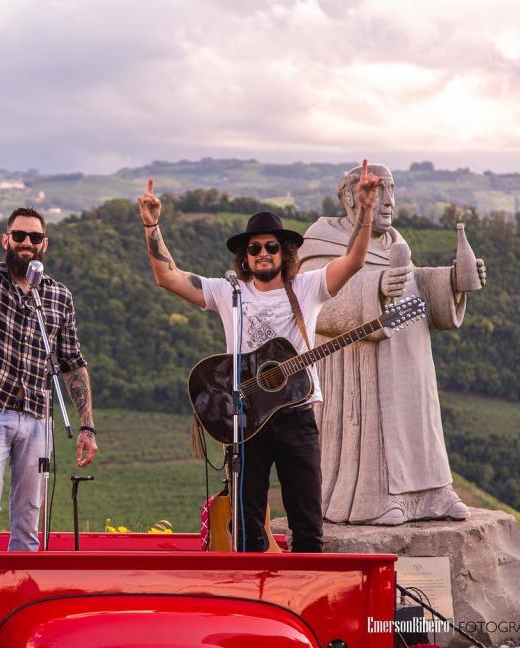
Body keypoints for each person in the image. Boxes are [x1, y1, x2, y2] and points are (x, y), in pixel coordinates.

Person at [137, 160, 383, 553]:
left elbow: (353, 262)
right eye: (255, 248)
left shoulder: (307, 288)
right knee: (247, 525)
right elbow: (168, 277)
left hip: (296, 414)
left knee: (306, 519)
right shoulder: (228, 291)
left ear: (284, 252)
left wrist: (366, 210)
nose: (263, 253)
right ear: (245, 257)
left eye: (271, 246)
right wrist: (152, 226)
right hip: (245, 418)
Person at [300, 164, 487, 525]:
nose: (389, 201)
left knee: (420, 421)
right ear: (349, 196)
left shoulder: (395, 242)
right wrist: (376, 288)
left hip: (410, 359)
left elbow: (413, 289)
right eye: (379, 190)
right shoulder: (324, 241)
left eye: (392, 190)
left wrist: (451, 282)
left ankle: (433, 494)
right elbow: (316, 306)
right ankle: (374, 501)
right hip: (360, 367)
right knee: (378, 431)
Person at [0, 152, 97, 552]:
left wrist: (87, 427)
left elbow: (73, 364)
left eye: (35, 237)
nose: (27, 243)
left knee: (29, 525)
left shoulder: (58, 295)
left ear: (45, 245)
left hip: (39, 419)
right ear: (6, 240)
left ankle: (18, 597)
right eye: (20, 236)